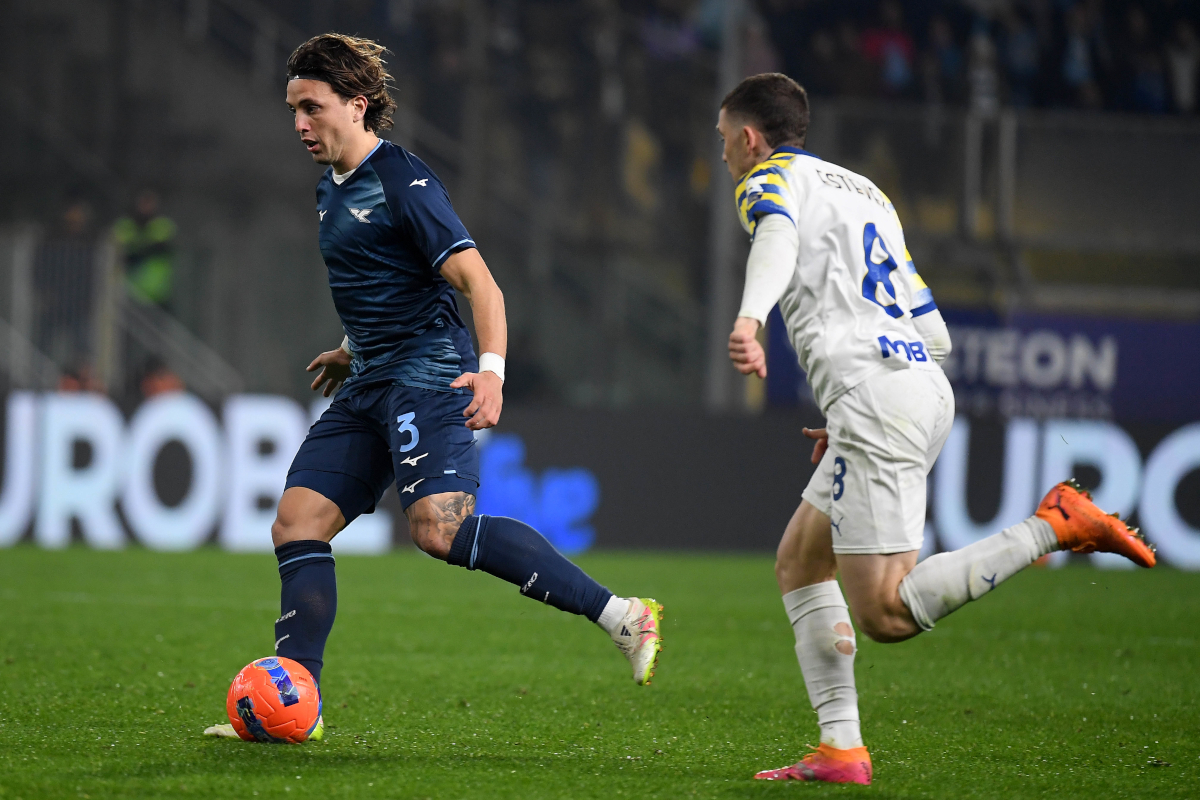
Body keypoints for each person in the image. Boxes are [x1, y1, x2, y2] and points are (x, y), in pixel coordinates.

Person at [204, 33, 662, 741]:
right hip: (370, 378)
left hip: (426, 373)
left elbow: (481, 284)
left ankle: (623, 616)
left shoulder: (404, 181)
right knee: (297, 523)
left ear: (357, 105)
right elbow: (382, 278)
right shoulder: (330, 186)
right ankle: (298, 704)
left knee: (438, 531)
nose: (299, 123)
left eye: (312, 107)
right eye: (293, 108)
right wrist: (350, 348)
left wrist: (492, 372)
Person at [715, 73, 1156, 785]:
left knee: (886, 612)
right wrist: (856, 411)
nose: (723, 156)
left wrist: (749, 318)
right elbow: (936, 334)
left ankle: (1053, 525)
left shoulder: (768, 180)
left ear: (749, 137)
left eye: (723, 140)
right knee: (800, 560)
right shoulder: (868, 194)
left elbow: (778, 236)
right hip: (914, 387)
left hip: (876, 402)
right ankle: (841, 750)